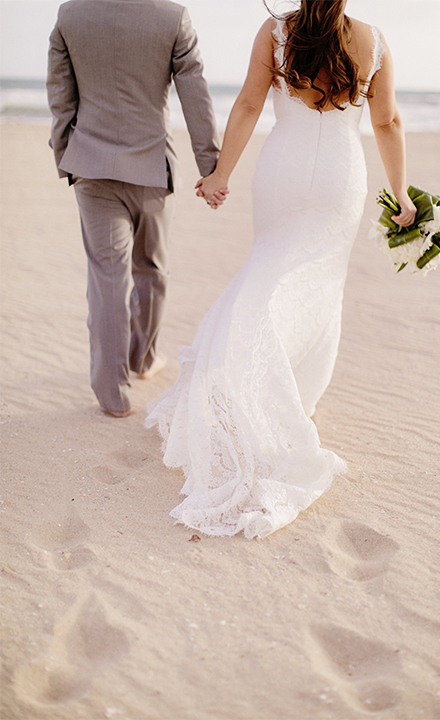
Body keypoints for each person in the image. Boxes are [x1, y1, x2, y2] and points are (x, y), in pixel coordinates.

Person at [146, 0, 416, 538]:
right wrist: (401, 192)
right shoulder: (373, 39)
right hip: (342, 179)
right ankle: (292, 394)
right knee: (318, 285)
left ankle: (253, 377)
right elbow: (386, 120)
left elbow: (248, 104)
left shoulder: (275, 32)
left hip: (283, 172)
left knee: (269, 272)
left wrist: (221, 173)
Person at [47, 0, 227, 418]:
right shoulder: (172, 17)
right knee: (153, 270)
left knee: (107, 278)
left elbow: (60, 97)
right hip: (151, 170)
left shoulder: (71, 14)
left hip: (91, 166)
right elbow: (195, 95)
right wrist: (210, 168)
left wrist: (66, 155)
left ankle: (112, 394)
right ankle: (143, 359)